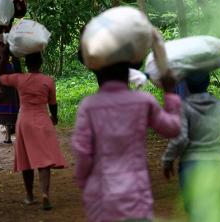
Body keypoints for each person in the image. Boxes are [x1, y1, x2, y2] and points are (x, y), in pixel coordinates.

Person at [72, 62, 181, 222]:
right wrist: (170, 93)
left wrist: (84, 182)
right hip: (136, 196)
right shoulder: (144, 101)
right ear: (129, 72)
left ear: (98, 73)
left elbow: (82, 152)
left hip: (101, 198)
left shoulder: (89, 106)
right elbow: (172, 129)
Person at [0, 51, 66, 211]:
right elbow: (53, 103)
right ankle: (45, 195)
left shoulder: (19, 79)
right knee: (44, 161)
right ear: (41, 63)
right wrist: (54, 117)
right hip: (43, 120)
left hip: (25, 121)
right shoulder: (48, 81)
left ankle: (29, 196)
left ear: (26, 63)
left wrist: (4, 57)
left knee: (26, 159)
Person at [162, 71, 220, 222]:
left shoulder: (184, 107)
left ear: (188, 86)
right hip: (217, 162)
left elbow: (180, 139)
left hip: (191, 164)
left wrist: (168, 160)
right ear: (207, 83)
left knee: (194, 210)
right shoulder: (219, 105)